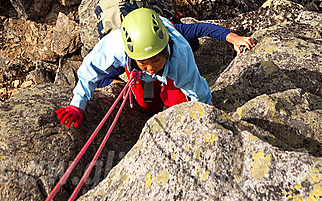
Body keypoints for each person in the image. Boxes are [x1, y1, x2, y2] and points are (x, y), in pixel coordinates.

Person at [56, 8, 255, 127]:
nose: (150, 67)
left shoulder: (179, 52)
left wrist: (207, 111)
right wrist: (77, 105)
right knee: (145, 103)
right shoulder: (116, 46)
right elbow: (89, 73)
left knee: (177, 104)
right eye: (144, 62)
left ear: (166, 49)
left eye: (155, 60)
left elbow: (197, 89)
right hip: (138, 74)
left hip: (171, 72)